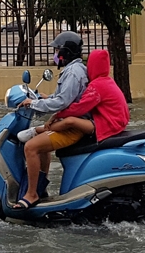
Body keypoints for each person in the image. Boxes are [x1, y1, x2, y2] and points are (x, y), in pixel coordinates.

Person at [12, 30, 87, 210]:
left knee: (31, 147)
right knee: (39, 146)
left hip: (71, 127)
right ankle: (40, 188)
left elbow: (62, 102)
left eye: (58, 50)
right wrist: (44, 98)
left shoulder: (73, 72)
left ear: (66, 52)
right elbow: (64, 97)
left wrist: (34, 104)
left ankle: (32, 194)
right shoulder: (76, 69)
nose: (56, 54)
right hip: (68, 121)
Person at [25, 48, 129, 150]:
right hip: (117, 123)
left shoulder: (97, 86)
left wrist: (56, 115)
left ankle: (39, 130)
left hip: (108, 124)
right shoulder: (107, 81)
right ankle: (39, 130)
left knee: (70, 121)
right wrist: (49, 98)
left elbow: (79, 108)